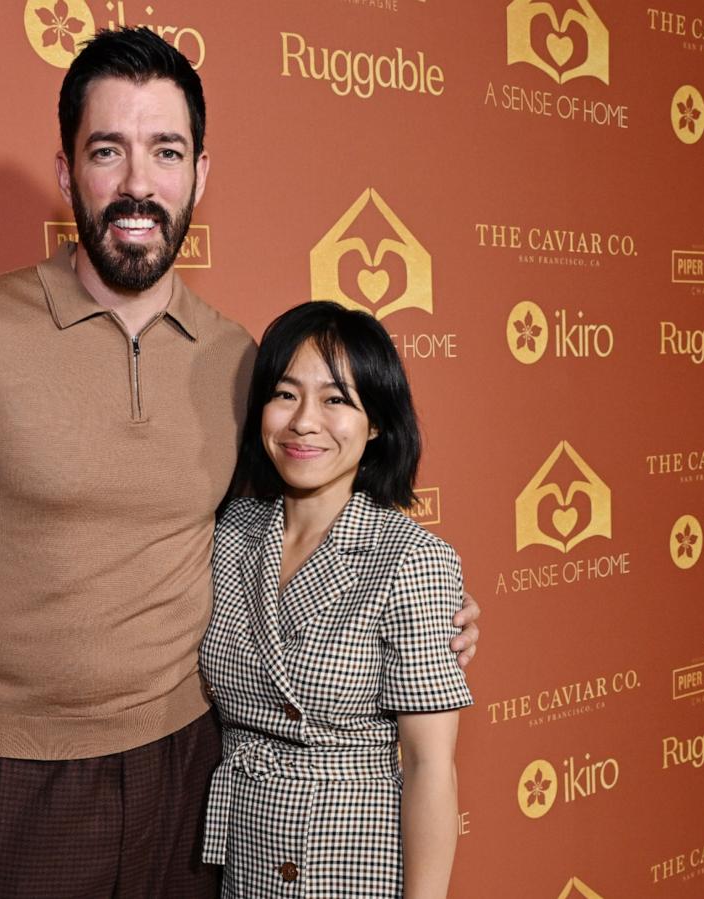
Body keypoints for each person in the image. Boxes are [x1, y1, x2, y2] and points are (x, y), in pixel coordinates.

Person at [0, 28, 480, 899]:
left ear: (200, 173)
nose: (137, 184)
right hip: (15, 774)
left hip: (196, 769)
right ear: (67, 170)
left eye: (166, 151)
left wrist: (428, 614)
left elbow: (295, 527)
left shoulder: (239, 358)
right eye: (107, 151)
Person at [201, 301, 470, 898]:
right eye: (284, 394)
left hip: (347, 855)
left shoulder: (411, 559)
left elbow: (429, 766)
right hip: (241, 853)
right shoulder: (228, 530)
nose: (303, 422)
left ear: (376, 422)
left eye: (336, 400)